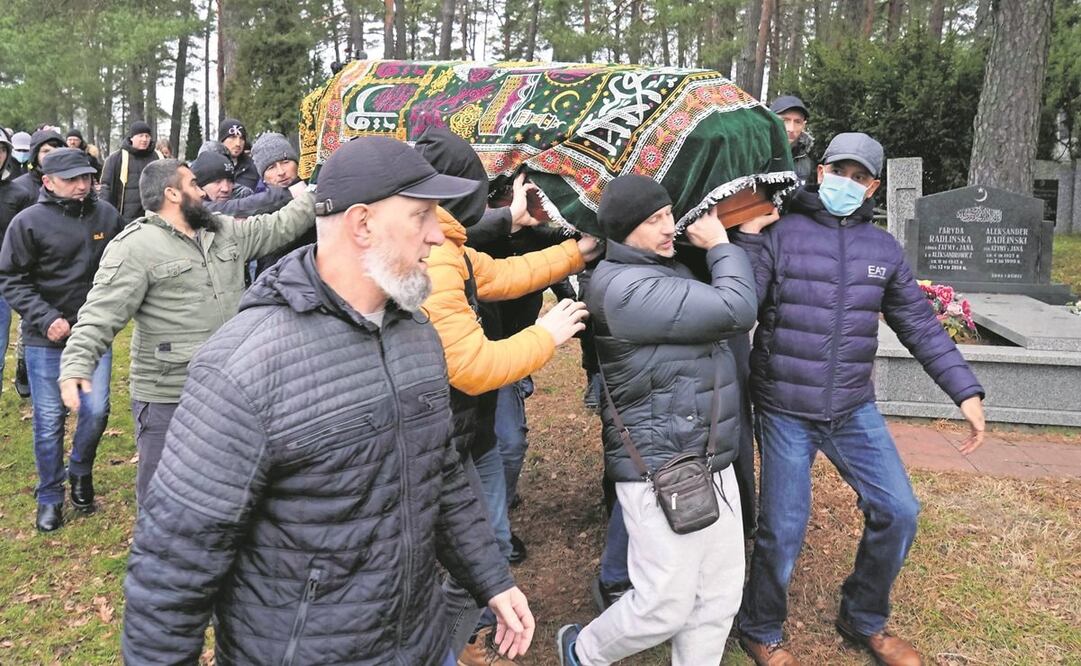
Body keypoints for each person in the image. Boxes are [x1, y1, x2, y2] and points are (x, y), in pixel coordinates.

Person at [121, 135, 535, 665]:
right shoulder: (245, 366)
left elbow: (443, 471)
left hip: (423, 643)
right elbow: (172, 570)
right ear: (361, 224)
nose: (437, 236)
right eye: (421, 217)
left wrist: (491, 580)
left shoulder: (416, 333)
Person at [730, 133, 986, 666]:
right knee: (783, 525)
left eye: (859, 176)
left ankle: (863, 617)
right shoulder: (781, 232)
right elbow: (742, 305)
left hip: (852, 407)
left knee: (898, 510)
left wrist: (964, 390)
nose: (847, 182)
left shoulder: (883, 250)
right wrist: (751, 241)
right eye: (838, 171)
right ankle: (759, 626)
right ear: (819, 172)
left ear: (872, 186)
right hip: (784, 406)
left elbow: (919, 323)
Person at [556, 174, 757, 666]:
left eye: (669, 213)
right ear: (624, 232)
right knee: (663, 606)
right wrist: (721, 244)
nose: (671, 227)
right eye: (655, 220)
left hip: (709, 454)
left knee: (719, 597)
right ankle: (582, 652)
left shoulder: (662, 269)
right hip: (663, 466)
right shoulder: (625, 288)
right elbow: (737, 307)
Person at [413, 127, 596, 665]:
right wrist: (548, 333)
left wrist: (576, 252)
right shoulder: (439, 258)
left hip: (475, 432)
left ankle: (462, 635)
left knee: (486, 546)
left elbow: (505, 274)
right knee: (469, 563)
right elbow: (471, 367)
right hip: (447, 440)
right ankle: (445, 646)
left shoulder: (451, 247)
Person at [58, 159, 316, 504]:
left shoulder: (222, 230)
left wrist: (319, 195)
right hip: (169, 397)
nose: (202, 191)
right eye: (194, 185)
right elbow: (99, 313)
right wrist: (76, 363)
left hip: (228, 389)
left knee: (224, 488)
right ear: (172, 193)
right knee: (162, 496)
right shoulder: (134, 247)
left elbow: (280, 225)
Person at [0, 148, 124, 531]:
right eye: (73, 179)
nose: (83, 185)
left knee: (97, 410)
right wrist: (45, 317)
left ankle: (81, 472)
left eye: (87, 177)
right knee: (50, 418)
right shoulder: (27, 223)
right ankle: (50, 494)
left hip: (93, 334)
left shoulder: (107, 216)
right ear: (48, 181)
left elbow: (125, 261)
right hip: (45, 339)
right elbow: (10, 278)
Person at [189, 149, 292, 217]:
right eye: (217, 182)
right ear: (200, 185)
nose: (225, 188)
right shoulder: (192, 209)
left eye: (230, 181)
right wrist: (288, 193)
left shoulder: (243, 193)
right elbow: (238, 207)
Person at [99, 121, 161, 222]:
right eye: (140, 136)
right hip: (125, 218)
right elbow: (106, 187)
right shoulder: (116, 159)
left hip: (153, 216)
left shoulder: (158, 158)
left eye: (147, 136)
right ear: (132, 138)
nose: (144, 139)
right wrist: (104, 214)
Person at [769, 95, 814, 183]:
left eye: (797, 122)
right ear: (770, 120)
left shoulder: (806, 159)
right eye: (784, 120)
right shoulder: (754, 154)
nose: (791, 129)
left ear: (804, 125)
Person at [11, 128, 64, 203]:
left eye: (57, 151)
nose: (52, 155)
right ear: (35, 155)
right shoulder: (18, 188)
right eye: (46, 151)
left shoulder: (74, 184)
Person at [217, 117, 259, 190]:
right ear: (222, 140)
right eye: (233, 137)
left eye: (242, 138)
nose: (238, 143)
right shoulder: (208, 166)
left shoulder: (254, 167)